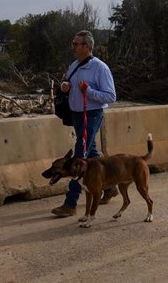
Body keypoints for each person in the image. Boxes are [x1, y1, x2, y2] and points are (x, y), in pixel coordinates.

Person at [51, 30, 118, 217]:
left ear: (86, 47)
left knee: (79, 158)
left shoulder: (100, 68)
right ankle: (111, 187)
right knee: (92, 153)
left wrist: (88, 91)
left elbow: (111, 96)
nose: (72, 47)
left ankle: (70, 203)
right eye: (72, 43)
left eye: (76, 44)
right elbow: (69, 85)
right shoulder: (74, 65)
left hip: (92, 115)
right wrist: (65, 86)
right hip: (77, 116)